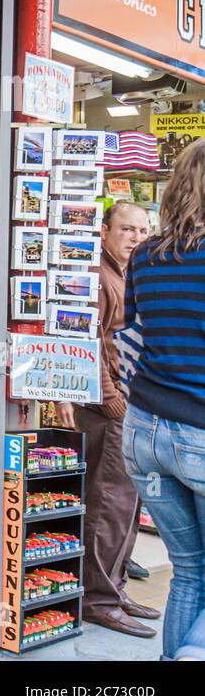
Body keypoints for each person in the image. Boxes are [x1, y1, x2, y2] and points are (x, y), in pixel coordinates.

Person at [123, 138, 205, 661]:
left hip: (143, 432)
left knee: (189, 569)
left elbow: (131, 332)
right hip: (198, 433)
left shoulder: (145, 255)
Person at [75, 201, 159, 638]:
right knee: (109, 505)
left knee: (128, 504)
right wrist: (112, 400)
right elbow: (89, 342)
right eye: (127, 229)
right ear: (105, 230)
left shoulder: (129, 273)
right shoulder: (97, 277)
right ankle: (98, 599)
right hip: (110, 410)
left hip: (129, 405)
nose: (136, 238)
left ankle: (114, 587)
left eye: (143, 231)